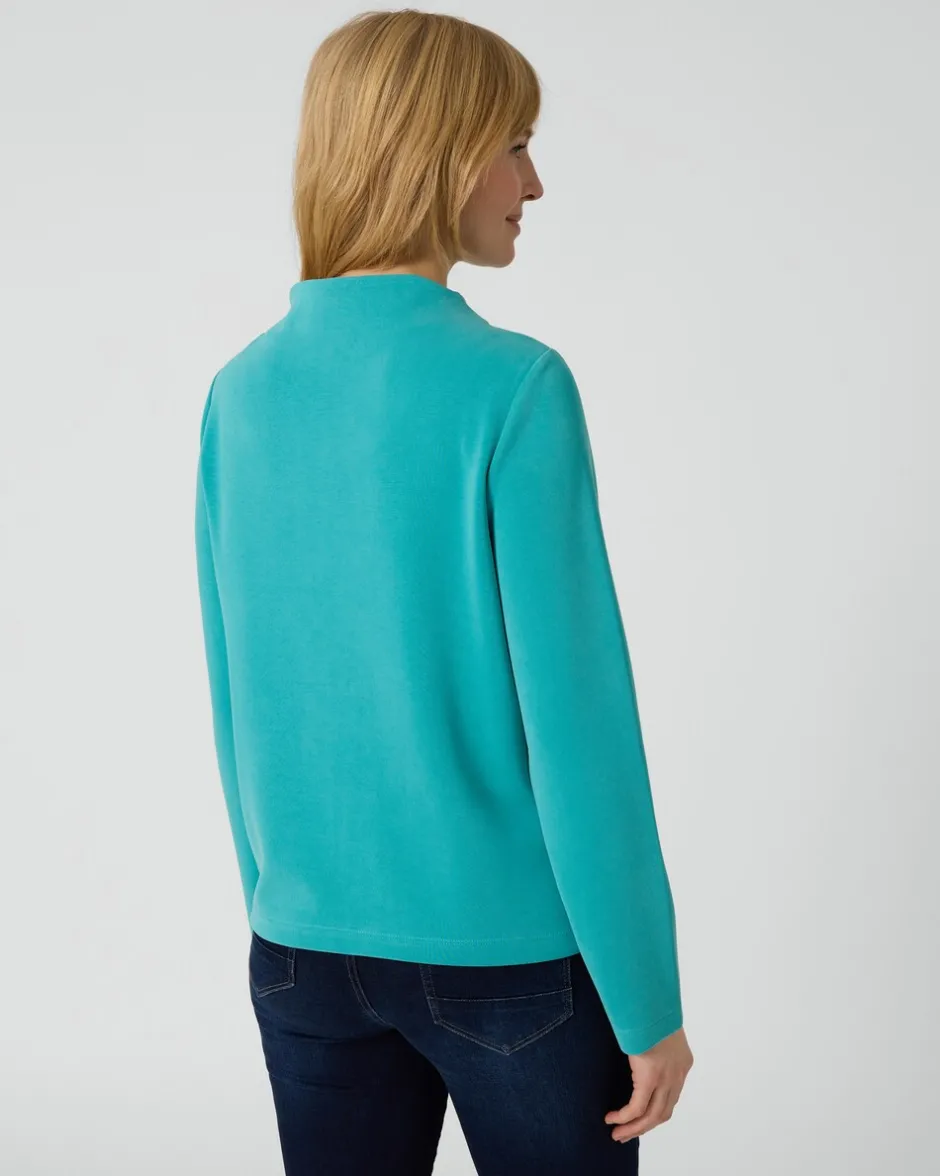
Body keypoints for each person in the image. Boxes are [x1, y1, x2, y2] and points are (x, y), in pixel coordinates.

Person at [194, 9, 693, 1174]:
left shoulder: (242, 391)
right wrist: (647, 1001)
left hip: (301, 951)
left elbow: (236, 695)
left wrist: (277, 902)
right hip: (506, 965)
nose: (534, 183)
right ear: (436, 151)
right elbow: (579, 728)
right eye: (513, 145)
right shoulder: (512, 387)